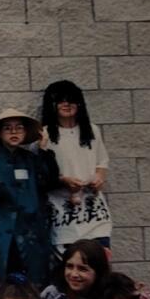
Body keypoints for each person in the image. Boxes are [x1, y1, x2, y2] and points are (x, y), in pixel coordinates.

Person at [0, 108, 59, 286]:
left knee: (33, 283)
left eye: (19, 128)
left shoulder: (31, 159)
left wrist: (43, 149)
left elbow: (48, 182)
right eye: (7, 128)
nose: (14, 132)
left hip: (30, 232)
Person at [40, 80, 112, 254]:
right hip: (63, 212)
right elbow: (40, 173)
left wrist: (99, 177)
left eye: (71, 99)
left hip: (95, 213)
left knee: (98, 263)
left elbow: (102, 162)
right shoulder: (44, 135)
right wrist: (62, 181)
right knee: (70, 264)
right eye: (60, 100)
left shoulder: (92, 130)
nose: (67, 104)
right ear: (52, 104)